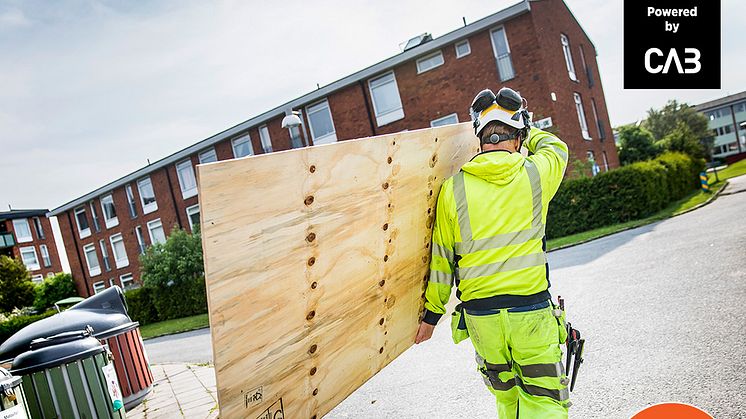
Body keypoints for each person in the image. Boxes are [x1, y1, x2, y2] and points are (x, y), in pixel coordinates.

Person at [415, 87, 570, 418]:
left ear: (479, 139)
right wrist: (529, 129)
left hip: (481, 318)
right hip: (529, 310)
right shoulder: (535, 173)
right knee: (543, 403)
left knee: (507, 400)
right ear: (517, 138)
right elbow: (556, 147)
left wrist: (431, 316)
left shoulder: (453, 189)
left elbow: (442, 261)